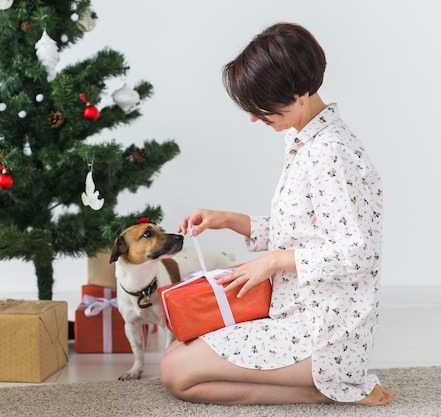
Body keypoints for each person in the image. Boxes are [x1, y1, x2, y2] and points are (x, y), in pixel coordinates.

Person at [158, 22, 394, 406]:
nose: (254, 118)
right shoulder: (305, 139)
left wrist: (273, 262)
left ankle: (331, 389)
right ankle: (326, 389)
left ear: (300, 93)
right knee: (175, 356)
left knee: (177, 372)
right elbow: (306, 234)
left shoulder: (331, 151)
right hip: (296, 312)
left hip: (326, 333)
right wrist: (229, 220)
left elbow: (358, 253)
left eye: (262, 107)